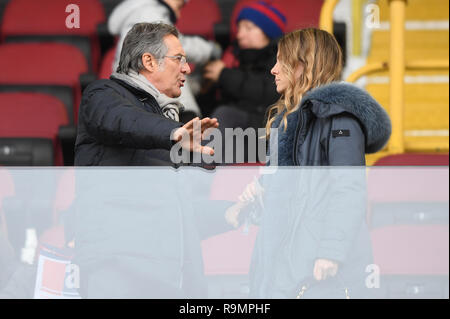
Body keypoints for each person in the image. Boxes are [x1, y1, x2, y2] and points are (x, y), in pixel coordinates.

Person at [226, 28, 392, 298]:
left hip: (319, 272)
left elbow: (348, 190)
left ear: (301, 67)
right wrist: (260, 191)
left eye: (281, 61)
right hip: (287, 265)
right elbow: (292, 195)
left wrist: (331, 253)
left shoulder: (341, 121)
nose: (273, 70)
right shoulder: (287, 122)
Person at [75, 23, 218, 166]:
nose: (187, 69)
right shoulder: (101, 93)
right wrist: (173, 132)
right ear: (149, 62)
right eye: (178, 59)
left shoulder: (170, 119)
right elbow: (126, 120)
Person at [108, 0, 222, 118]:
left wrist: (198, 83)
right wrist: (210, 50)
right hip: (149, 100)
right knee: (189, 125)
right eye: (179, 6)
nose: (179, 15)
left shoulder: (142, 12)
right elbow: (178, 47)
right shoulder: (149, 14)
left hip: (143, 95)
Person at [203, 0, 285, 133]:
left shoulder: (282, 58)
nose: (240, 35)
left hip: (265, 130)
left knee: (225, 115)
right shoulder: (232, 55)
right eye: (239, 28)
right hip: (235, 132)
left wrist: (224, 75)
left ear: (268, 32)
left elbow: (269, 92)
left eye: (248, 28)